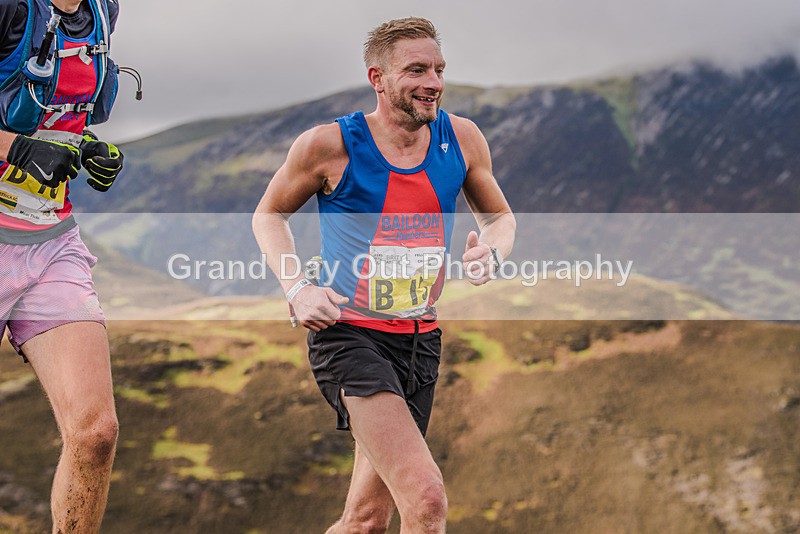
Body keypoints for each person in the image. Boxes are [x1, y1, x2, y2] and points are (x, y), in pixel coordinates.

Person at [253, 17, 515, 533]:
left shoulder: (462, 138)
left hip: (420, 339)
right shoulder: (330, 145)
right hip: (349, 336)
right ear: (378, 78)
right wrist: (298, 288)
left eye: (439, 69)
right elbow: (268, 215)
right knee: (426, 498)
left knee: (366, 520)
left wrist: (493, 251)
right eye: (416, 70)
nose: (433, 82)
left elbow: (500, 218)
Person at [0, 0, 126, 532]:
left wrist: (89, 147)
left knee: (96, 432)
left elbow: (59, 111)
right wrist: (20, 150)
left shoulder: (102, 11)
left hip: (51, 239)